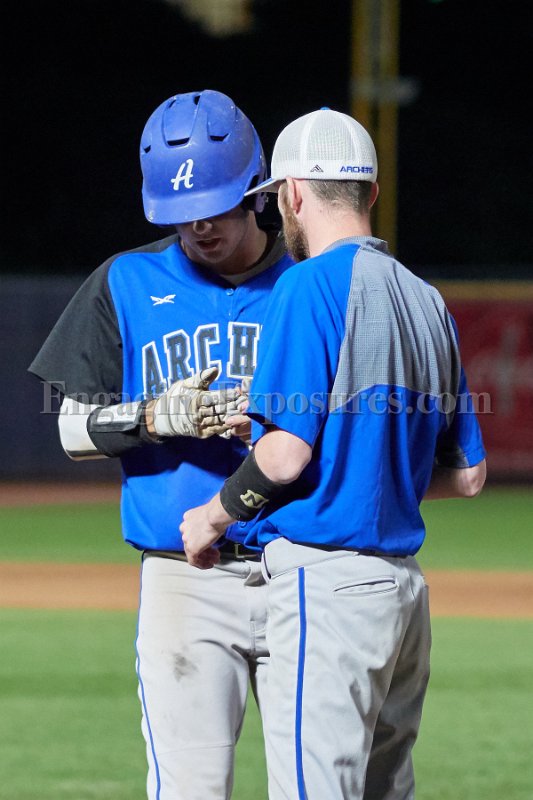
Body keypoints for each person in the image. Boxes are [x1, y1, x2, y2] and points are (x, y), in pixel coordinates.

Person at [180, 108, 487, 799]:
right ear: (370, 192)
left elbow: (285, 456)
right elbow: (467, 474)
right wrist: (356, 462)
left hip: (327, 589)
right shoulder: (427, 300)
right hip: (404, 598)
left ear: (291, 192)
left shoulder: (307, 283)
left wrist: (211, 516)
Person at [29, 89, 293, 800]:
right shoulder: (126, 281)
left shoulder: (309, 281)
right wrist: (155, 417)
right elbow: (70, 428)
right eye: (180, 210)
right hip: (184, 578)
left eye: (215, 205)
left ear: (256, 190)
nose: (198, 224)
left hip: (304, 566)